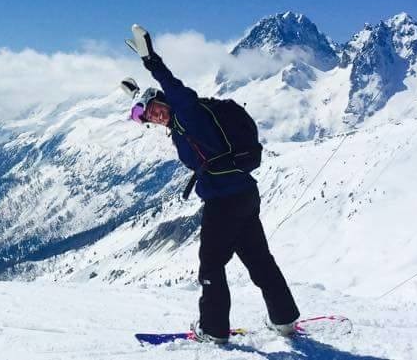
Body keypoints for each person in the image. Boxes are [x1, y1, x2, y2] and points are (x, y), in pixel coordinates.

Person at [127, 25, 299, 344]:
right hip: (243, 194)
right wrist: (137, 97)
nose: (156, 117)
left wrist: (151, 61)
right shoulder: (180, 124)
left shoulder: (187, 110)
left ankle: (214, 329)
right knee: (259, 259)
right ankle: (285, 319)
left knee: (211, 266)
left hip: (223, 202)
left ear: (164, 100)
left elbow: (172, 85)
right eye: (149, 117)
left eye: (155, 109)